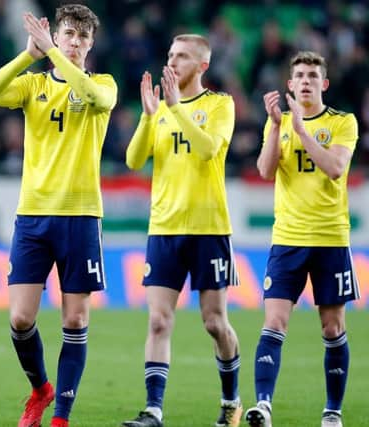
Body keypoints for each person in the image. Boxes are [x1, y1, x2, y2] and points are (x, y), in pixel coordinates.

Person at [0, 5, 117, 427]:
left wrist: (52, 55)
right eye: (68, 34)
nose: (74, 43)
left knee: (74, 318)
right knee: (20, 318)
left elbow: (98, 99)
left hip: (80, 217)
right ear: (56, 35)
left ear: (91, 43)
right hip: (34, 216)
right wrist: (28, 55)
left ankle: (61, 417)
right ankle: (41, 389)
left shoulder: (101, 84)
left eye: (81, 37)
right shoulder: (34, 84)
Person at [122, 34, 242, 427]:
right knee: (158, 321)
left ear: (202, 65)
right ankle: (153, 409)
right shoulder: (159, 110)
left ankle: (230, 401)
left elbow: (208, 150)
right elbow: (135, 159)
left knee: (214, 322)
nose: (172, 62)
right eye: (171, 54)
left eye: (183, 56)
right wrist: (147, 114)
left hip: (208, 228)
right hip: (164, 228)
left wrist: (175, 109)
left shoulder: (220, 105)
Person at [244, 51, 358, 427]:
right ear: (290, 84)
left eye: (312, 75)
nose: (305, 81)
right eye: (299, 76)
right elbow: (264, 170)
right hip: (288, 238)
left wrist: (302, 129)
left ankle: (332, 412)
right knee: (274, 322)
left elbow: (335, 168)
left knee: (332, 328)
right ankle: (263, 405)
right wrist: (277, 127)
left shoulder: (343, 123)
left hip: (329, 238)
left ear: (323, 84)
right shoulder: (276, 123)